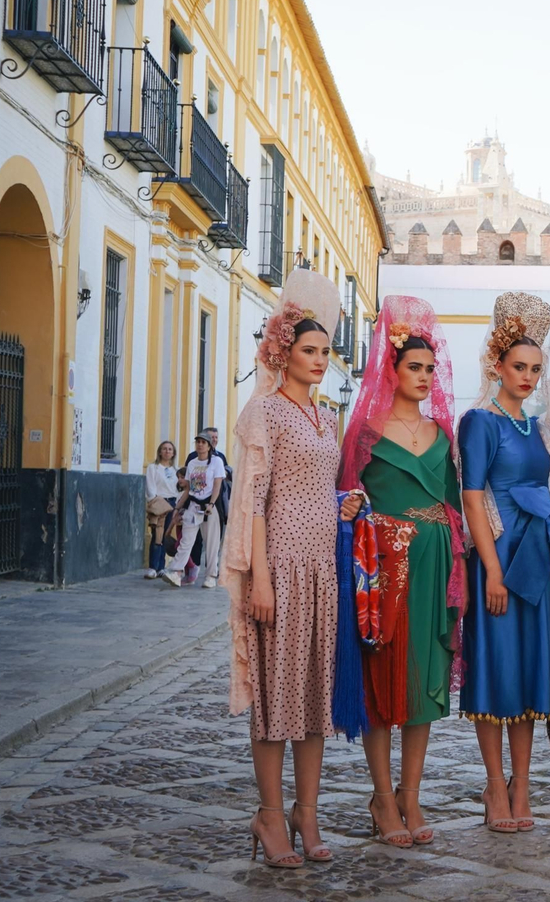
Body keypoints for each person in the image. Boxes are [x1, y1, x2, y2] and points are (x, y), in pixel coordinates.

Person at [220, 268, 345, 869]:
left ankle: (308, 811)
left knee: (314, 697)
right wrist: (260, 578)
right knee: (275, 697)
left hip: (324, 572)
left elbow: (321, 487)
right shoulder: (264, 414)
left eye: (325, 352)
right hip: (281, 571)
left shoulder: (326, 417)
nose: (320, 360)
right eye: (309, 351)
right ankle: (269, 815)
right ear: (283, 352)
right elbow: (256, 501)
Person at [337, 297, 465, 848]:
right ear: (391, 369)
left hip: (437, 565)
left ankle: (412, 795)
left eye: (429, 369)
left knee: (425, 686)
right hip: (386, 570)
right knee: (384, 686)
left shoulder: (445, 434)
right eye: (413, 367)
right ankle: (382, 797)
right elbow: (342, 494)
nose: (423, 376)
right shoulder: (365, 432)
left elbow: (459, 502)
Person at [459, 292, 550, 833]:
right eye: (519, 367)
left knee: (532, 669)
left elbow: (546, 484)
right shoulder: (478, 422)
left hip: (536, 558)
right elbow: (471, 497)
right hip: (498, 554)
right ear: (498, 366)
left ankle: (522, 786)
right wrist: (490, 570)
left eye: (535, 368)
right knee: (495, 668)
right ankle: (493, 785)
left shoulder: (536, 429)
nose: (529, 377)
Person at [162, 433, 227, 589]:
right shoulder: (192, 463)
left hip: (210, 508)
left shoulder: (217, 462)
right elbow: (189, 488)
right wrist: (178, 508)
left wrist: (211, 504)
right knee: (186, 540)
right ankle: (176, 572)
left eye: (203, 442)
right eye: (198, 442)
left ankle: (211, 575)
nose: (200, 445)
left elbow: (217, 486)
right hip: (193, 505)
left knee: (211, 543)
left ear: (209, 445)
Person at [144, 441, 180, 578]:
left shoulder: (175, 470)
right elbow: (150, 486)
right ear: (160, 451)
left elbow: (178, 488)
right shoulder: (153, 468)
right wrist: (154, 500)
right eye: (164, 449)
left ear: (173, 453)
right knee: (156, 535)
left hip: (171, 503)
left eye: (170, 449)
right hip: (159, 502)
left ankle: (161, 567)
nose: (167, 451)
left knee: (165, 535)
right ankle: (152, 566)